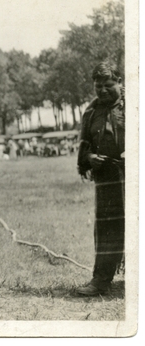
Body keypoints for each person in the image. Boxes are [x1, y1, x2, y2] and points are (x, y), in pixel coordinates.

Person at [76, 60, 125, 296]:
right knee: (107, 228)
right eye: (98, 87)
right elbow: (84, 145)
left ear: (120, 82)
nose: (103, 91)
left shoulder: (135, 105)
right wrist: (89, 157)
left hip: (135, 177)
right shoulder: (91, 111)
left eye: (108, 85)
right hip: (107, 179)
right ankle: (101, 280)